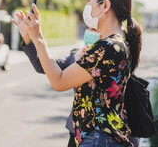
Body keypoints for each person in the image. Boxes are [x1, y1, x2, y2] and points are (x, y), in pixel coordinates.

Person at [12, 0, 142, 147]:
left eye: (90, 1)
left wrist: (38, 37)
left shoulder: (107, 47)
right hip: (101, 138)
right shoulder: (118, 43)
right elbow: (51, 67)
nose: (87, 7)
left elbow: (59, 82)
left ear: (105, 5)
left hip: (96, 139)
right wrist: (31, 38)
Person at [14, 19, 100, 147]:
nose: (89, 32)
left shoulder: (114, 56)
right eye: (89, 28)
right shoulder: (75, 55)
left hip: (102, 135)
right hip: (77, 131)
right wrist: (28, 38)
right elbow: (42, 65)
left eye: (94, 29)